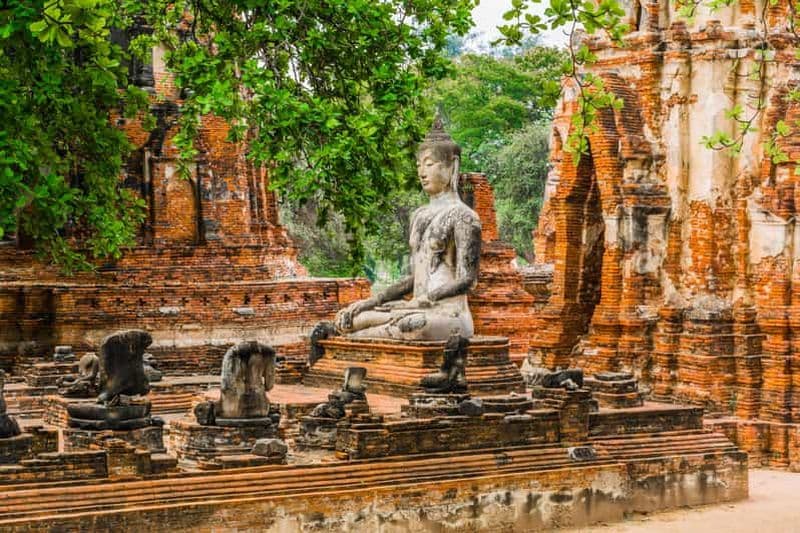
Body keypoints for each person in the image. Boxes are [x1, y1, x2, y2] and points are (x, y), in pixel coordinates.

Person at [334, 117, 481, 341]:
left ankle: (354, 341)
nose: (422, 172)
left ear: (453, 165)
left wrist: (428, 297)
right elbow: (415, 277)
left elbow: (468, 279)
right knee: (349, 319)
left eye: (429, 164)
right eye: (419, 166)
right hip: (415, 306)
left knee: (414, 326)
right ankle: (357, 336)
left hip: (448, 314)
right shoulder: (419, 215)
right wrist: (373, 300)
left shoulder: (465, 217)